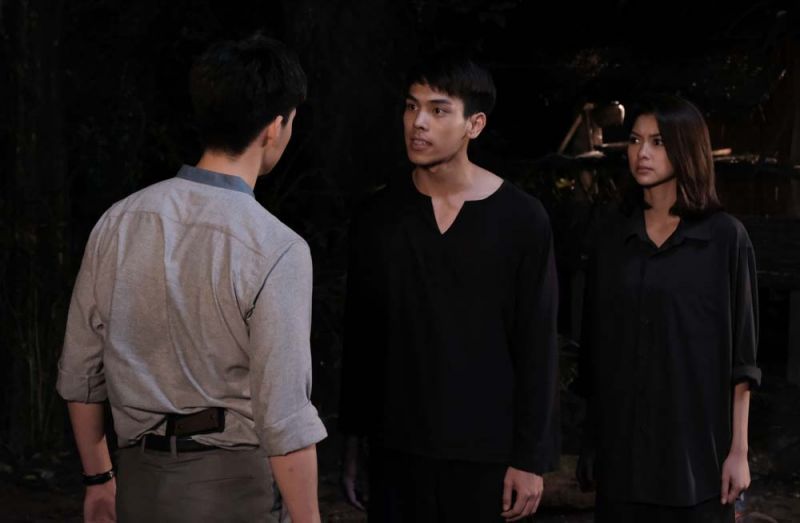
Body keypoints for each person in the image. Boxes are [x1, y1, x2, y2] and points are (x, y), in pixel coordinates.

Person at [56, 34, 327, 523]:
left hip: (139, 485)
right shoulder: (276, 247)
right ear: (275, 127)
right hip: (234, 492)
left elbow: (79, 372)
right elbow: (285, 418)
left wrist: (98, 481)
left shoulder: (118, 222)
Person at [339, 52, 559, 522]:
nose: (418, 123)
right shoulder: (377, 217)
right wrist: (354, 441)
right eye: (411, 106)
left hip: (486, 456)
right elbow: (361, 337)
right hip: (396, 451)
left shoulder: (522, 219)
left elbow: (537, 342)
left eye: (438, 110)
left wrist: (530, 458)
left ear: (474, 124)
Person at [577, 94, 760, 522]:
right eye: (635, 140)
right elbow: (597, 352)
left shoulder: (725, 239)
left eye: (658, 142)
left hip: (697, 459)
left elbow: (743, 361)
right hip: (622, 456)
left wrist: (738, 451)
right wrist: (591, 442)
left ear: (686, 148)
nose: (642, 152)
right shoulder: (611, 239)